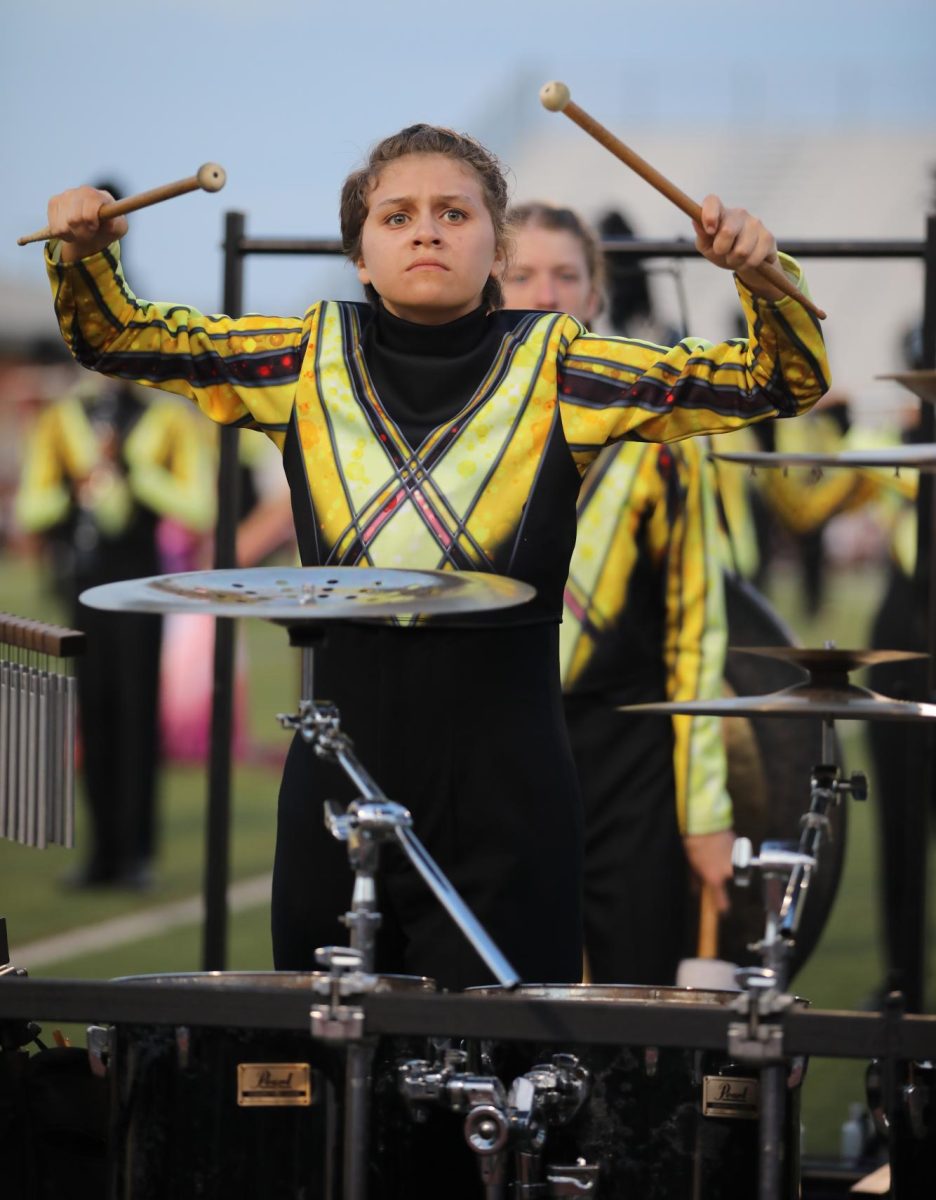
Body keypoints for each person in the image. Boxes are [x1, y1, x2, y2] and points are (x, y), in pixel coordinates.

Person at [42, 123, 829, 989]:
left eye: (454, 213)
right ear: (360, 254)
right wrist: (85, 252)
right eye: (398, 216)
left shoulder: (560, 365)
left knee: (506, 1077)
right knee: (327, 1066)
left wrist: (761, 274)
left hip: (510, 796)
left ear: (498, 248)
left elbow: (780, 378)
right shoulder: (304, 359)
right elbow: (114, 338)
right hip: (336, 781)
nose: (426, 231)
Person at [503, 202, 732, 983]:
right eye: (521, 274)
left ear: (595, 295)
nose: (545, 293)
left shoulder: (659, 432)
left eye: (566, 275)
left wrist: (704, 813)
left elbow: (696, 635)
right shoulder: (462, 428)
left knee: (634, 1003)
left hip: (626, 760)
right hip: (497, 752)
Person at [15, 375, 215, 887]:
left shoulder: (167, 419)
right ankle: (102, 853)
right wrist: (74, 488)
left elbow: (198, 507)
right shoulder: (61, 419)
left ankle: (136, 853)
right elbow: (29, 509)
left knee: (137, 716)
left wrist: (135, 473)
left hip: (139, 586)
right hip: (82, 585)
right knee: (95, 717)